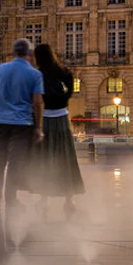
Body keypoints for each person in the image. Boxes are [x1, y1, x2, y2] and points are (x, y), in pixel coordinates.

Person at [24, 43, 85, 208]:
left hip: (44, 119)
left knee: (44, 158)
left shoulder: (37, 75)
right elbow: (69, 94)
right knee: (66, 158)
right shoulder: (65, 72)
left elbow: (34, 100)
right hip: (62, 117)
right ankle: (69, 199)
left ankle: (43, 198)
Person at [0, 39, 43, 213]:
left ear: (13, 52)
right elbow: (37, 102)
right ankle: (11, 200)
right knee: (14, 164)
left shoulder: (1, 69)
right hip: (21, 123)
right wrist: (38, 127)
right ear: (30, 54)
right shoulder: (34, 74)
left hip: (0, 121)